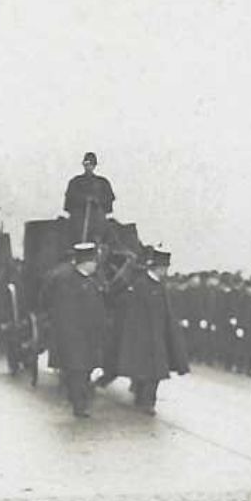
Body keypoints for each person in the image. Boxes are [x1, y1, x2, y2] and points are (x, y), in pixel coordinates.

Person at [109, 247, 190, 412]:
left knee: (156, 372)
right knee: (146, 372)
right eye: (165, 267)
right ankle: (145, 401)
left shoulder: (160, 286)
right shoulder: (141, 284)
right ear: (158, 267)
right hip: (143, 337)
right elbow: (133, 314)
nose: (166, 271)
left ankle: (148, 401)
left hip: (158, 336)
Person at [41, 242, 108, 417]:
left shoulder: (92, 281)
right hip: (74, 335)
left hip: (89, 335)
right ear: (85, 262)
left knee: (84, 369)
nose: (96, 265)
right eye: (93, 261)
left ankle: (79, 401)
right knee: (77, 370)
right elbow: (64, 312)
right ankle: (79, 406)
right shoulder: (67, 282)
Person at [64, 152, 117, 243]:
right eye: (87, 164)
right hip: (78, 219)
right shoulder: (75, 182)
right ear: (84, 165)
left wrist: (97, 200)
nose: (89, 167)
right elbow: (69, 202)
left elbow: (109, 200)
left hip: (98, 219)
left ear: (94, 165)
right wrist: (83, 199)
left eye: (91, 164)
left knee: (109, 233)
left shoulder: (102, 182)